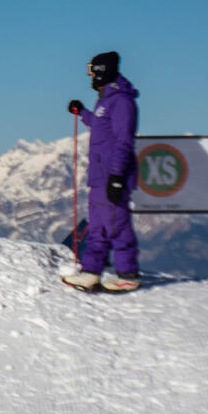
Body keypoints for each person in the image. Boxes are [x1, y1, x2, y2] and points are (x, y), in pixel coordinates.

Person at [62, 51, 141, 292]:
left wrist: (117, 176)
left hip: (112, 175)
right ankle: (90, 271)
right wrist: (82, 111)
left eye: (92, 70)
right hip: (98, 177)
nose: (90, 76)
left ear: (101, 71)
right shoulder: (105, 101)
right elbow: (100, 126)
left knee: (117, 225)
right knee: (97, 226)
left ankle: (127, 274)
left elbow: (123, 141)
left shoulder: (122, 102)